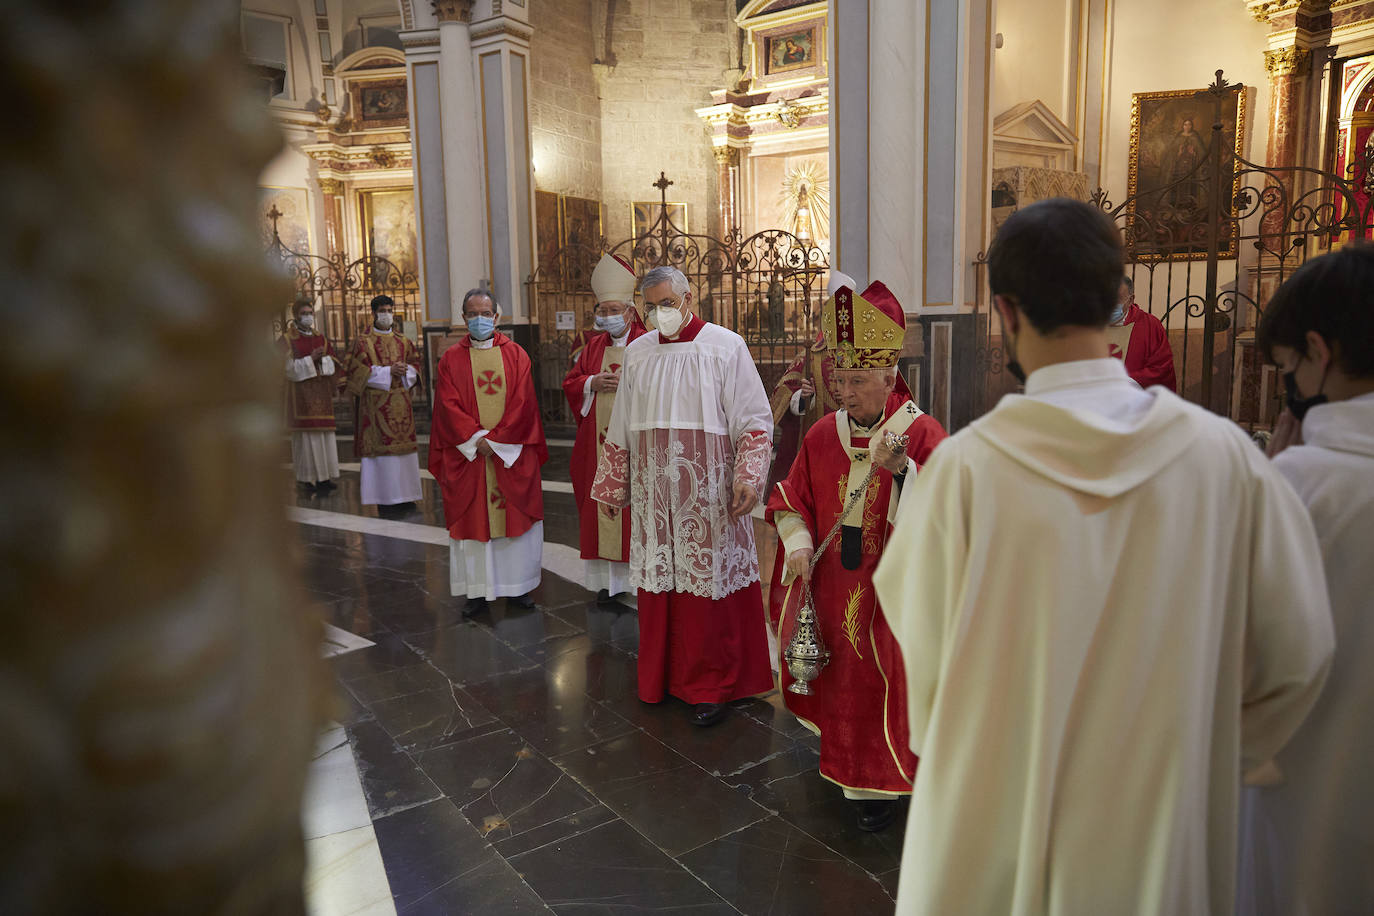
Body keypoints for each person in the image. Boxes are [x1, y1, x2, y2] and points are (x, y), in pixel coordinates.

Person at [872, 198, 1334, 915]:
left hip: (1000, 823)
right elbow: (1300, 652)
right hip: (1162, 837)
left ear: (1005, 312)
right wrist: (1210, 753)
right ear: (1120, 303)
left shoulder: (965, 474)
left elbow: (922, 652)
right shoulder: (1225, 461)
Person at [766, 281, 946, 833]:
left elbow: (949, 517)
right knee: (844, 679)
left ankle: (885, 782)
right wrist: (797, 545)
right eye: (839, 379)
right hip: (832, 585)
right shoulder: (823, 434)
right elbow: (790, 498)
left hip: (893, 593)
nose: (845, 391)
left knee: (884, 681)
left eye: (858, 380)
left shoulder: (921, 433)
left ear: (890, 377)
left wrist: (900, 473)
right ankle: (848, 768)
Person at [1235, 243, 1374, 916]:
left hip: (1306, 791)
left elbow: (1239, 656)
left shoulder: (1297, 483)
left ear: (1319, 351)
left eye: (1287, 366)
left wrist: (1270, 482)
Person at [590, 265, 774, 727]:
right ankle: (662, 678)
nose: (658, 314)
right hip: (656, 498)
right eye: (649, 306)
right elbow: (621, 424)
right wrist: (613, 484)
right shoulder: (637, 352)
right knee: (662, 586)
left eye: (666, 304)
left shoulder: (725, 346)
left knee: (706, 591)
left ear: (689, 298)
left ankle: (710, 686)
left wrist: (748, 477)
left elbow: (754, 420)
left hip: (710, 495)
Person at [429, 289, 547, 616]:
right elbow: (447, 407)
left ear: (496, 317)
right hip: (469, 459)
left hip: (510, 456)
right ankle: (476, 593)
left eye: (485, 313)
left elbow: (524, 405)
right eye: (472, 314)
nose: (479, 319)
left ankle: (519, 589)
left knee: (515, 522)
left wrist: (495, 442)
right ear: (463, 317)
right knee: (473, 524)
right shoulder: (451, 359)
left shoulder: (517, 355)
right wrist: (476, 439)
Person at [562, 254, 648, 603]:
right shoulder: (593, 346)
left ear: (630, 310)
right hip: (596, 443)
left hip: (636, 443)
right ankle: (607, 585)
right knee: (599, 507)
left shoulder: (648, 342)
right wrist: (592, 382)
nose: (608, 316)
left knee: (636, 507)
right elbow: (572, 382)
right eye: (603, 310)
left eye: (614, 309)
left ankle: (637, 580)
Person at [766, 271, 856, 493]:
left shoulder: (865, 356)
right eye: (834, 316)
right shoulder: (811, 356)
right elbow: (784, 392)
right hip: (820, 445)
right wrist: (804, 398)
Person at [346, 295, 423, 517]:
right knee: (383, 457)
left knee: (404, 456)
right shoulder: (362, 342)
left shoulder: (403, 341)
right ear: (374, 313)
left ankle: (406, 496)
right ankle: (385, 499)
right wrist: (388, 371)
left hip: (401, 405)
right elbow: (355, 372)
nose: (387, 314)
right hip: (375, 408)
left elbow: (415, 365)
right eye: (382, 310)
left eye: (390, 310)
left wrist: (406, 371)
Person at [281, 298, 342, 492]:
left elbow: (333, 364)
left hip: (321, 395)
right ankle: (306, 479)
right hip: (301, 398)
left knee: (324, 437)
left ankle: (324, 479)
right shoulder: (287, 340)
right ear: (296, 315)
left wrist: (322, 360)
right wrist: (310, 360)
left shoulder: (321, 339)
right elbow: (285, 369)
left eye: (310, 313)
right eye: (304, 313)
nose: (308, 317)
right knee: (306, 439)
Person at [1106, 275, 1176, 390]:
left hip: (1135, 398)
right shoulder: (1089, 326)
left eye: (1117, 299)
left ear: (1131, 300)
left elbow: (1161, 368)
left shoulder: (1150, 325)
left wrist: (1126, 383)